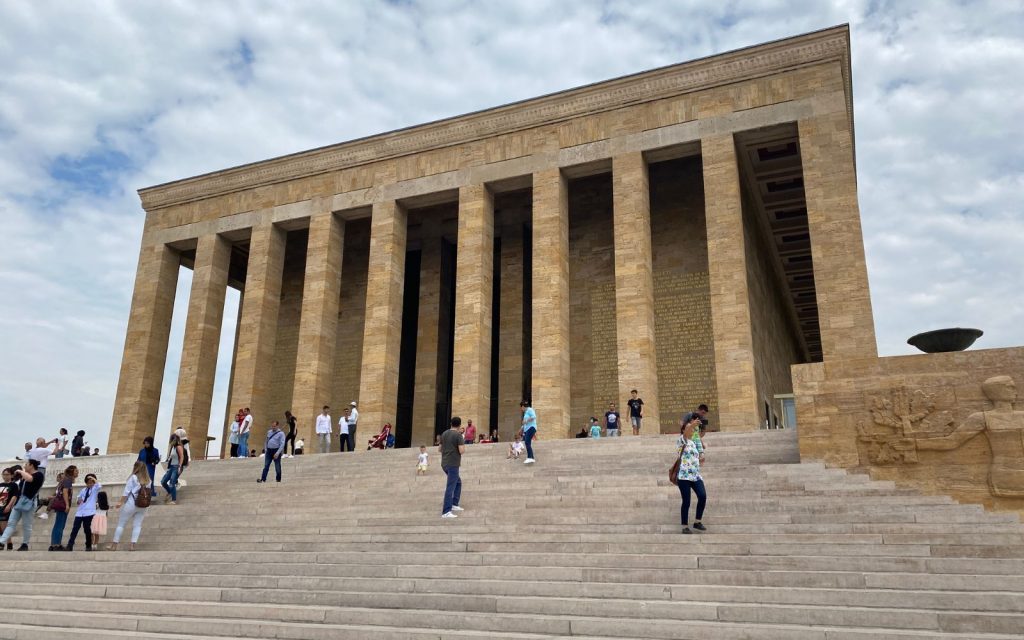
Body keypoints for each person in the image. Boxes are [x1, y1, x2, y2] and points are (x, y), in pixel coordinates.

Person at [0, 459, 45, 551]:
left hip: (29, 503)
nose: (25, 466)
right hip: (19, 503)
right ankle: (1, 542)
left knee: (26, 525)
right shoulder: (24, 477)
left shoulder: (39, 475)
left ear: (32, 465)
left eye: (26, 464)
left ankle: (25, 544)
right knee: (11, 523)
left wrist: (20, 471)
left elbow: (30, 479)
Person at [675, 416, 708, 534]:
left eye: (692, 428)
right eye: (688, 428)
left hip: (695, 475)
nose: (691, 430)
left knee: (702, 495)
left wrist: (701, 458)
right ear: (683, 430)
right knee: (687, 501)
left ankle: (697, 521)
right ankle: (684, 526)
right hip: (684, 475)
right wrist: (692, 425)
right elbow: (686, 434)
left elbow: (697, 453)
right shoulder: (681, 440)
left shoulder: (693, 443)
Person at [109, 462, 151, 551]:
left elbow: (126, 492)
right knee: (137, 525)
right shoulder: (148, 480)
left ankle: (114, 545)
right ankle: (132, 546)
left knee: (121, 524)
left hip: (131, 503)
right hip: (143, 505)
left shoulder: (133, 477)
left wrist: (120, 502)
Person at [66, 473, 100, 551]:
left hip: (89, 513)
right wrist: (78, 501)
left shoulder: (95, 489)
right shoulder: (83, 490)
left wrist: (93, 478)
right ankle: (70, 545)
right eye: (88, 482)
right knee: (75, 529)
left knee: (87, 530)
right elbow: (78, 498)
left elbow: (99, 485)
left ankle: (88, 545)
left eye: (91, 482)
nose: (90, 484)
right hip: (80, 512)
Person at [440, 417, 466, 518]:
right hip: (453, 464)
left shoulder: (444, 433)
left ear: (451, 423)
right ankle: (446, 511)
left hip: (444, 463)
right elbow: (461, 451)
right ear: (459, 425)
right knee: (451, 486)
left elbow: (440, 449)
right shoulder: (458, 435)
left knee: (458, 482)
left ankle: (454, 504)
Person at [49, 464, 76, 551]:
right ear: (71, 472)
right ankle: (56, 544)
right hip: (63, 505)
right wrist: (67, 505)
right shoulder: (68, 480)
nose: (77, 473)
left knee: (57, 524)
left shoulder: (64, 480)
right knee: (60, 525)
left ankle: (53, 544)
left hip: (60, 505)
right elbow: (65, 492)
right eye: (76, 471)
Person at [161, 434, 185, 505]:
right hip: (171, 467)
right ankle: (170, 492)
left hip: (176, 467)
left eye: (173, 439)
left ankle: (174, 500)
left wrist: (179, 466)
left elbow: (181, 457)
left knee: (172, 483)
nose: (172, 441)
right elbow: (171, 458)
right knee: (163, 481)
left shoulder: (179, 447)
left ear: (176, 440)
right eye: (172, 439)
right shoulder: (172, 447)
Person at [0, 467, 20, 550]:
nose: (5, 476)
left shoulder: (14, 485)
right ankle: (9, 543)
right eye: (3, 474)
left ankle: (3, 543)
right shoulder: (0, 484)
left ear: (11, 475)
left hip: (6, 507)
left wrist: (9, 506)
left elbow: (14, 496)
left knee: (4, 526)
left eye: (7, 474)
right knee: (1, 527)